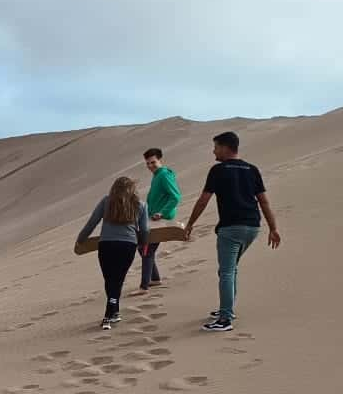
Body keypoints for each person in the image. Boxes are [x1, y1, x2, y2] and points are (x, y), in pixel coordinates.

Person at [182, 131, 282, 332]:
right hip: (252, 227)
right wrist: (273, 228)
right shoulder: (252, 169)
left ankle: (225, 319)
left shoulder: (218, 170)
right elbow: (263, 201)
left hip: (230, 228)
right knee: (230, 268)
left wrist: (190, 223)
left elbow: (203, 200)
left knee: (226, 271)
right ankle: (227, 309)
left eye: (216, 147)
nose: (213, 152)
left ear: (226, 147)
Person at [75, 176, 150, 329]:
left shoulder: (106, 201)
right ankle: (111, 313)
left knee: (110, 280)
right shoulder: (140, 205)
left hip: (106, 245)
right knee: (118, 279)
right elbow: (145, 230)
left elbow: (92, 222)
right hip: (128, 246)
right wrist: (142, 244)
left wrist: (80, 239)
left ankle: (111, 313)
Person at [140, 147, 182, 289]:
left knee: (146, 249)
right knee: (143, 248)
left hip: (161, 219)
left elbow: (175, 196)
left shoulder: (164, 174)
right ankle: (154, 278)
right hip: (153, 218)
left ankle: (144, 286)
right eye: (148, 163)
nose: (150, 166)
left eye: (153, 162)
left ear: (160, 160)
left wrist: (162, 213)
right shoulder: (157, 175)